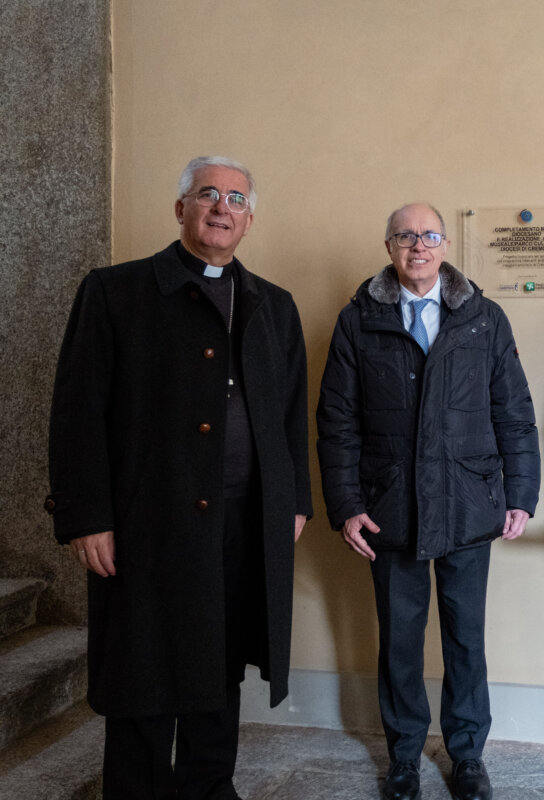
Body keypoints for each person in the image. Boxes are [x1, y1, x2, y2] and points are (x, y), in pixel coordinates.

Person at [45, 155, 311, 799]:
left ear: (249, 220)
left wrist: (293, 503)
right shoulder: (114, 292)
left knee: (221, 664)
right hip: (146, 520)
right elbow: (77, 414)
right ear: (181, 208)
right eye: (208, 194)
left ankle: (208, 788)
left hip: (243, 518)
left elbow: (290, 414)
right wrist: (86, 516)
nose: (223, 207)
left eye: (237, 199)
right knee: (143, 668)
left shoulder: (273, 305)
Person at [316, 203, 539, 800]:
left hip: (469, 504)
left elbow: (514, 413)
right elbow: (336, 422)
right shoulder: (357, 321)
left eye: (430, 235)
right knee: (400, 642)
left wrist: (521, 494)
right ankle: (404, 757)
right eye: (406, 236)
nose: (419, 245)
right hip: (389, 506)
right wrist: (346, 503)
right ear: (389, 246)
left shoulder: (483, 318)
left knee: (466, 638)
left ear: (445, 245)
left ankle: (467, 755)